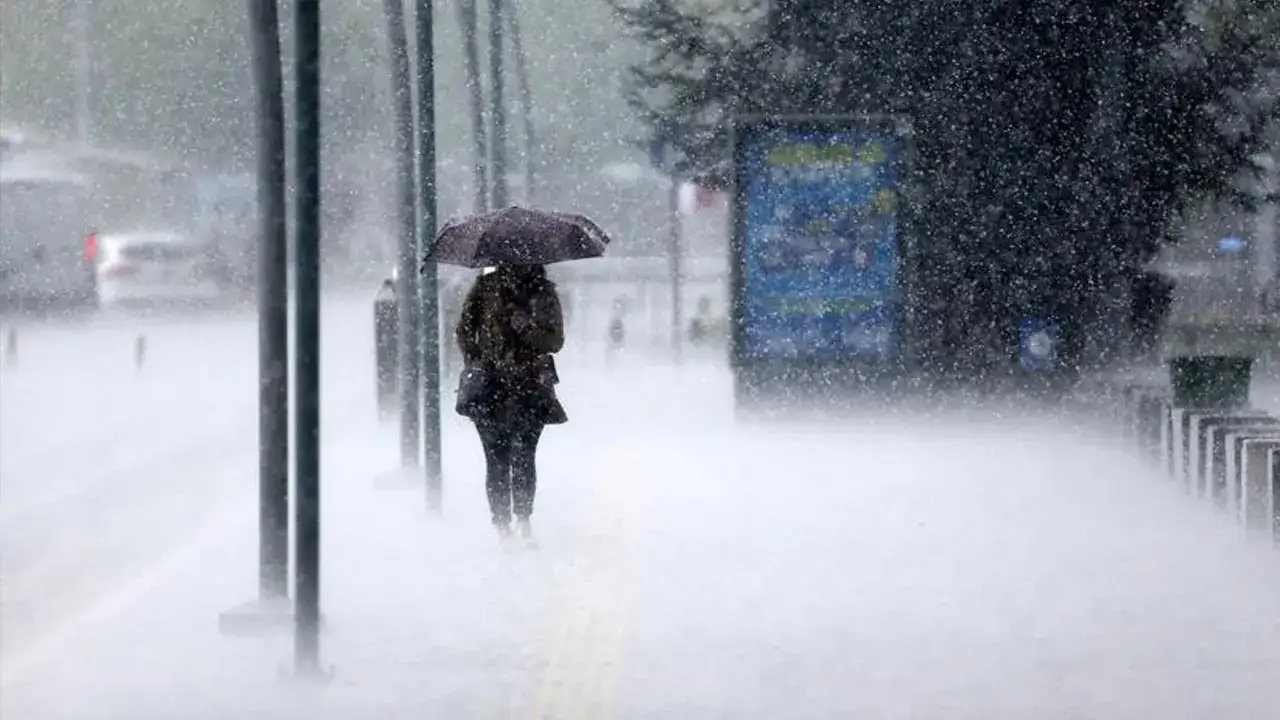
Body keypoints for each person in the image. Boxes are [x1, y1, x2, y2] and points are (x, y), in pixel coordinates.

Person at [455, 264, 567, 544]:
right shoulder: (485, 289)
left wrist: (526, 327)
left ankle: (523, 519)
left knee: (523, 456)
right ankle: (503, 524)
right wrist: (479, 358)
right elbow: (464, 331)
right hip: (491, 386)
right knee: (497, 458)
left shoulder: (543, 292)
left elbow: (555, 341)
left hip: (529, 385)